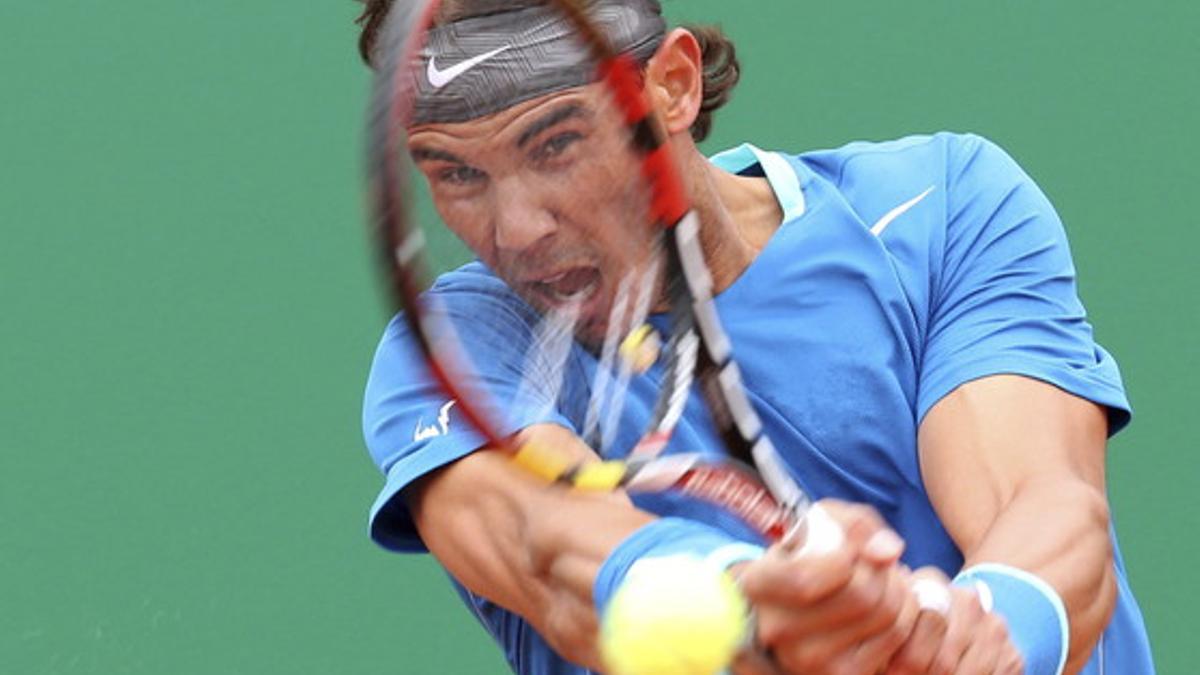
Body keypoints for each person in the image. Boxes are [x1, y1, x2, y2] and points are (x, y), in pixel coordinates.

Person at [355, 1, 1155, 673]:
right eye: (456, 174)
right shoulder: (451, 353)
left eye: (557, 144)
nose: (516, 228)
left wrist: (982, 629)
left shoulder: (938, 208)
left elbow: (1044, 500)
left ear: (671, 85)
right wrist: (757, 604)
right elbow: (554, 555)